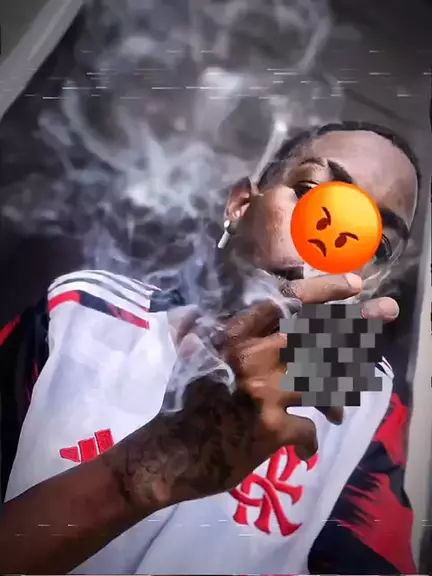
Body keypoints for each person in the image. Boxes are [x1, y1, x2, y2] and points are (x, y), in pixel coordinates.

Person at [0, 121, 420, 575]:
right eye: (309, 190)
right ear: (241, 204)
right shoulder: (81, 315)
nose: (337, 239)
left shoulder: (364, 399)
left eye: (378, 244)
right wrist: (141, 473)